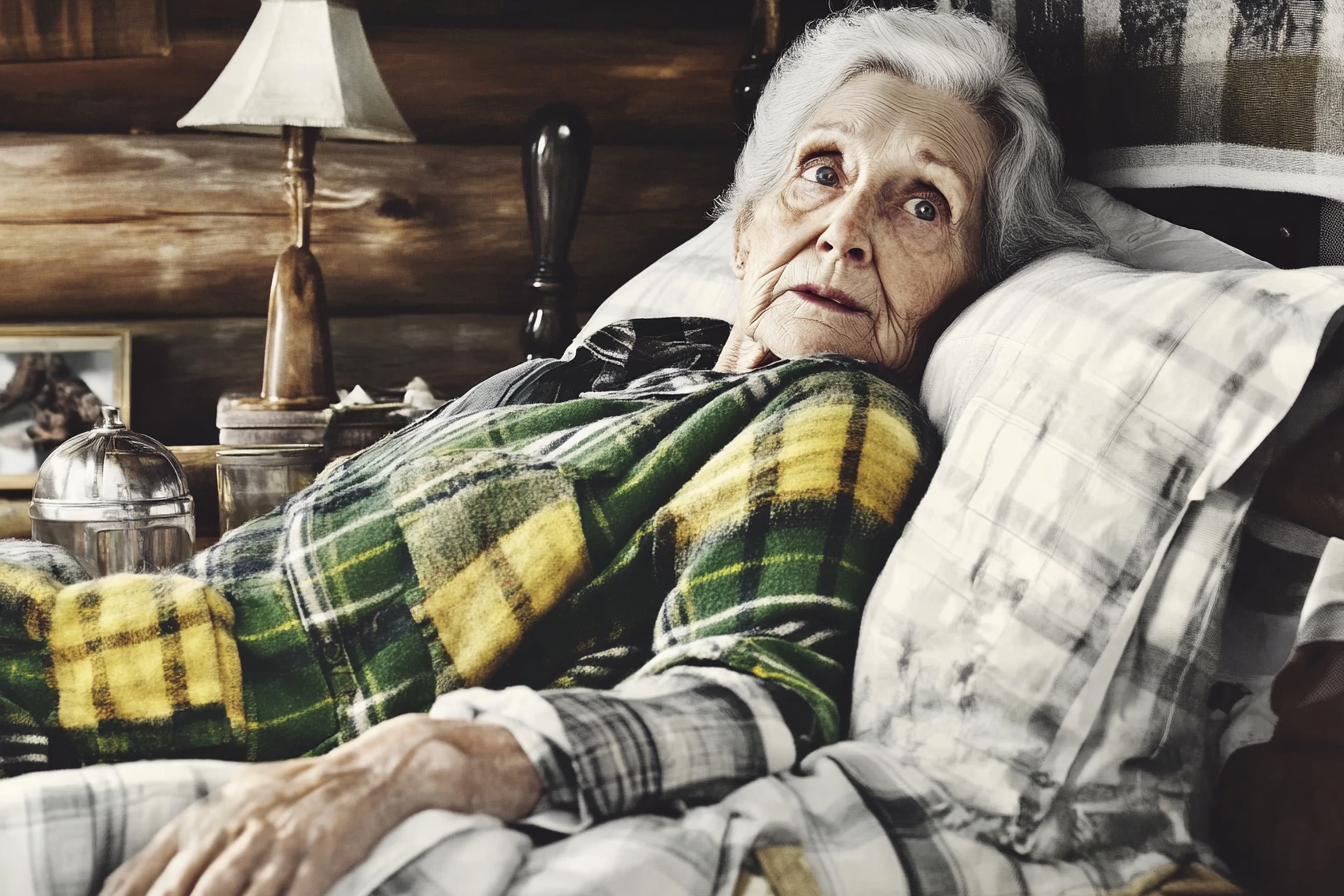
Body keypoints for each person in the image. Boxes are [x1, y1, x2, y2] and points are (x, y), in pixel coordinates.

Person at [0, 7, 1099, 896]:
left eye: (922, 204)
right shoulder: (617, 361)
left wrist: (427, 758)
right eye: (822, 170)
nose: (845, 226)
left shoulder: (827, 408)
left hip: (105, 707)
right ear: (747, 225)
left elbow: (755, 687)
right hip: (71, 616)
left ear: (965, 282)